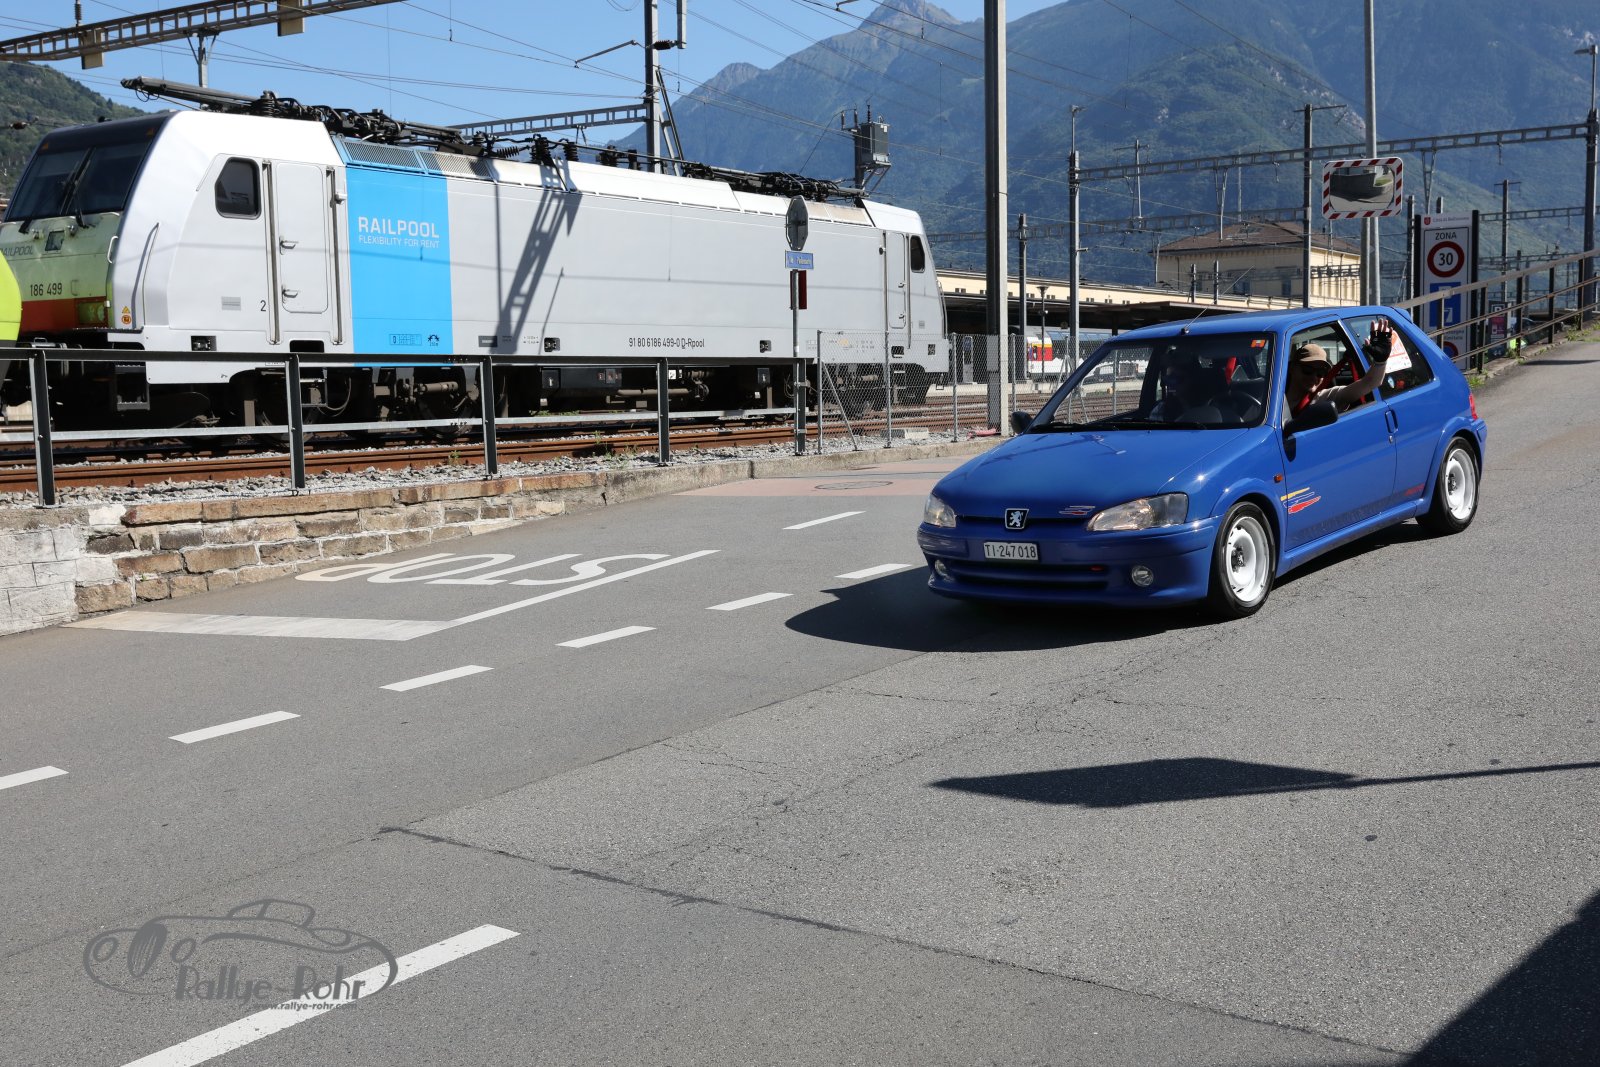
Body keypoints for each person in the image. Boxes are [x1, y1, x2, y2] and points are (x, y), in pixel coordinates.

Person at [1285, 319, 1394, 417]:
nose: (1314, 377)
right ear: (1292, 368)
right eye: (1308, 370)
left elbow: (1370, 382)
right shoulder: (1276, 396)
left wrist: (1380, 361)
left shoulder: (1325, 398)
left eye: (1320, 373)